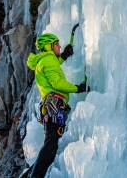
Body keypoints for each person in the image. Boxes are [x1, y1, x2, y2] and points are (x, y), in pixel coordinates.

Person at [25, 33, 89, 178]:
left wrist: (64, 56)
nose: (59, 46)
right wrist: (78, 88)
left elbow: (53, 67)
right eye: (56, 43)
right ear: (49, 46)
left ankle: (29, 175)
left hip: (51, 106)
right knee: (51, 143)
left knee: (52, 142)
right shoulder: (48, 60)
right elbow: (57, 83)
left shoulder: (44, 60)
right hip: (55, 105)